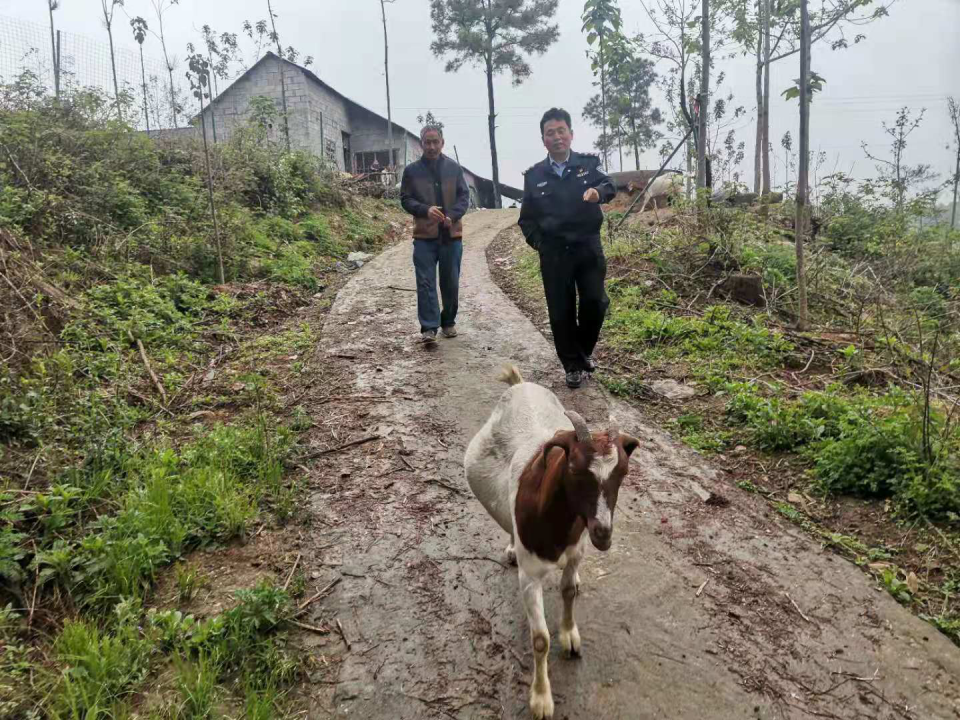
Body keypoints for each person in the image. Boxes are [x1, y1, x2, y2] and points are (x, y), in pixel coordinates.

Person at [518, 108, 617, 389]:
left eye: (561, 131)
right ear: (544, 140)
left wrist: (599, 193)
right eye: (551, 133)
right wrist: (540, 244)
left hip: (587, 247)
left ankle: (583, 351)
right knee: (560, 311)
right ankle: (572, 365)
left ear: (571, 135)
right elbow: (526, 219)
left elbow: (610, 183)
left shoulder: (589, 164)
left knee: (596, 302)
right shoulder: (534, 176)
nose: (557, 137)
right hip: (554, 253)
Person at [400, 125, 470, 345]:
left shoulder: (454, 169)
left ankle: (448, 321)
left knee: (450, 281)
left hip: (451, 235)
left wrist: (452, 215)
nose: (431, 146)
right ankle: (429, 327)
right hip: (424, 237)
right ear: (421, 143)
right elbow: (405, 199)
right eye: (427, 142)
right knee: (425, 282)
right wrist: (425, 210)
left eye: (435, 142)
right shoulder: (411, 171)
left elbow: (463, 197)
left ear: (442, 142)